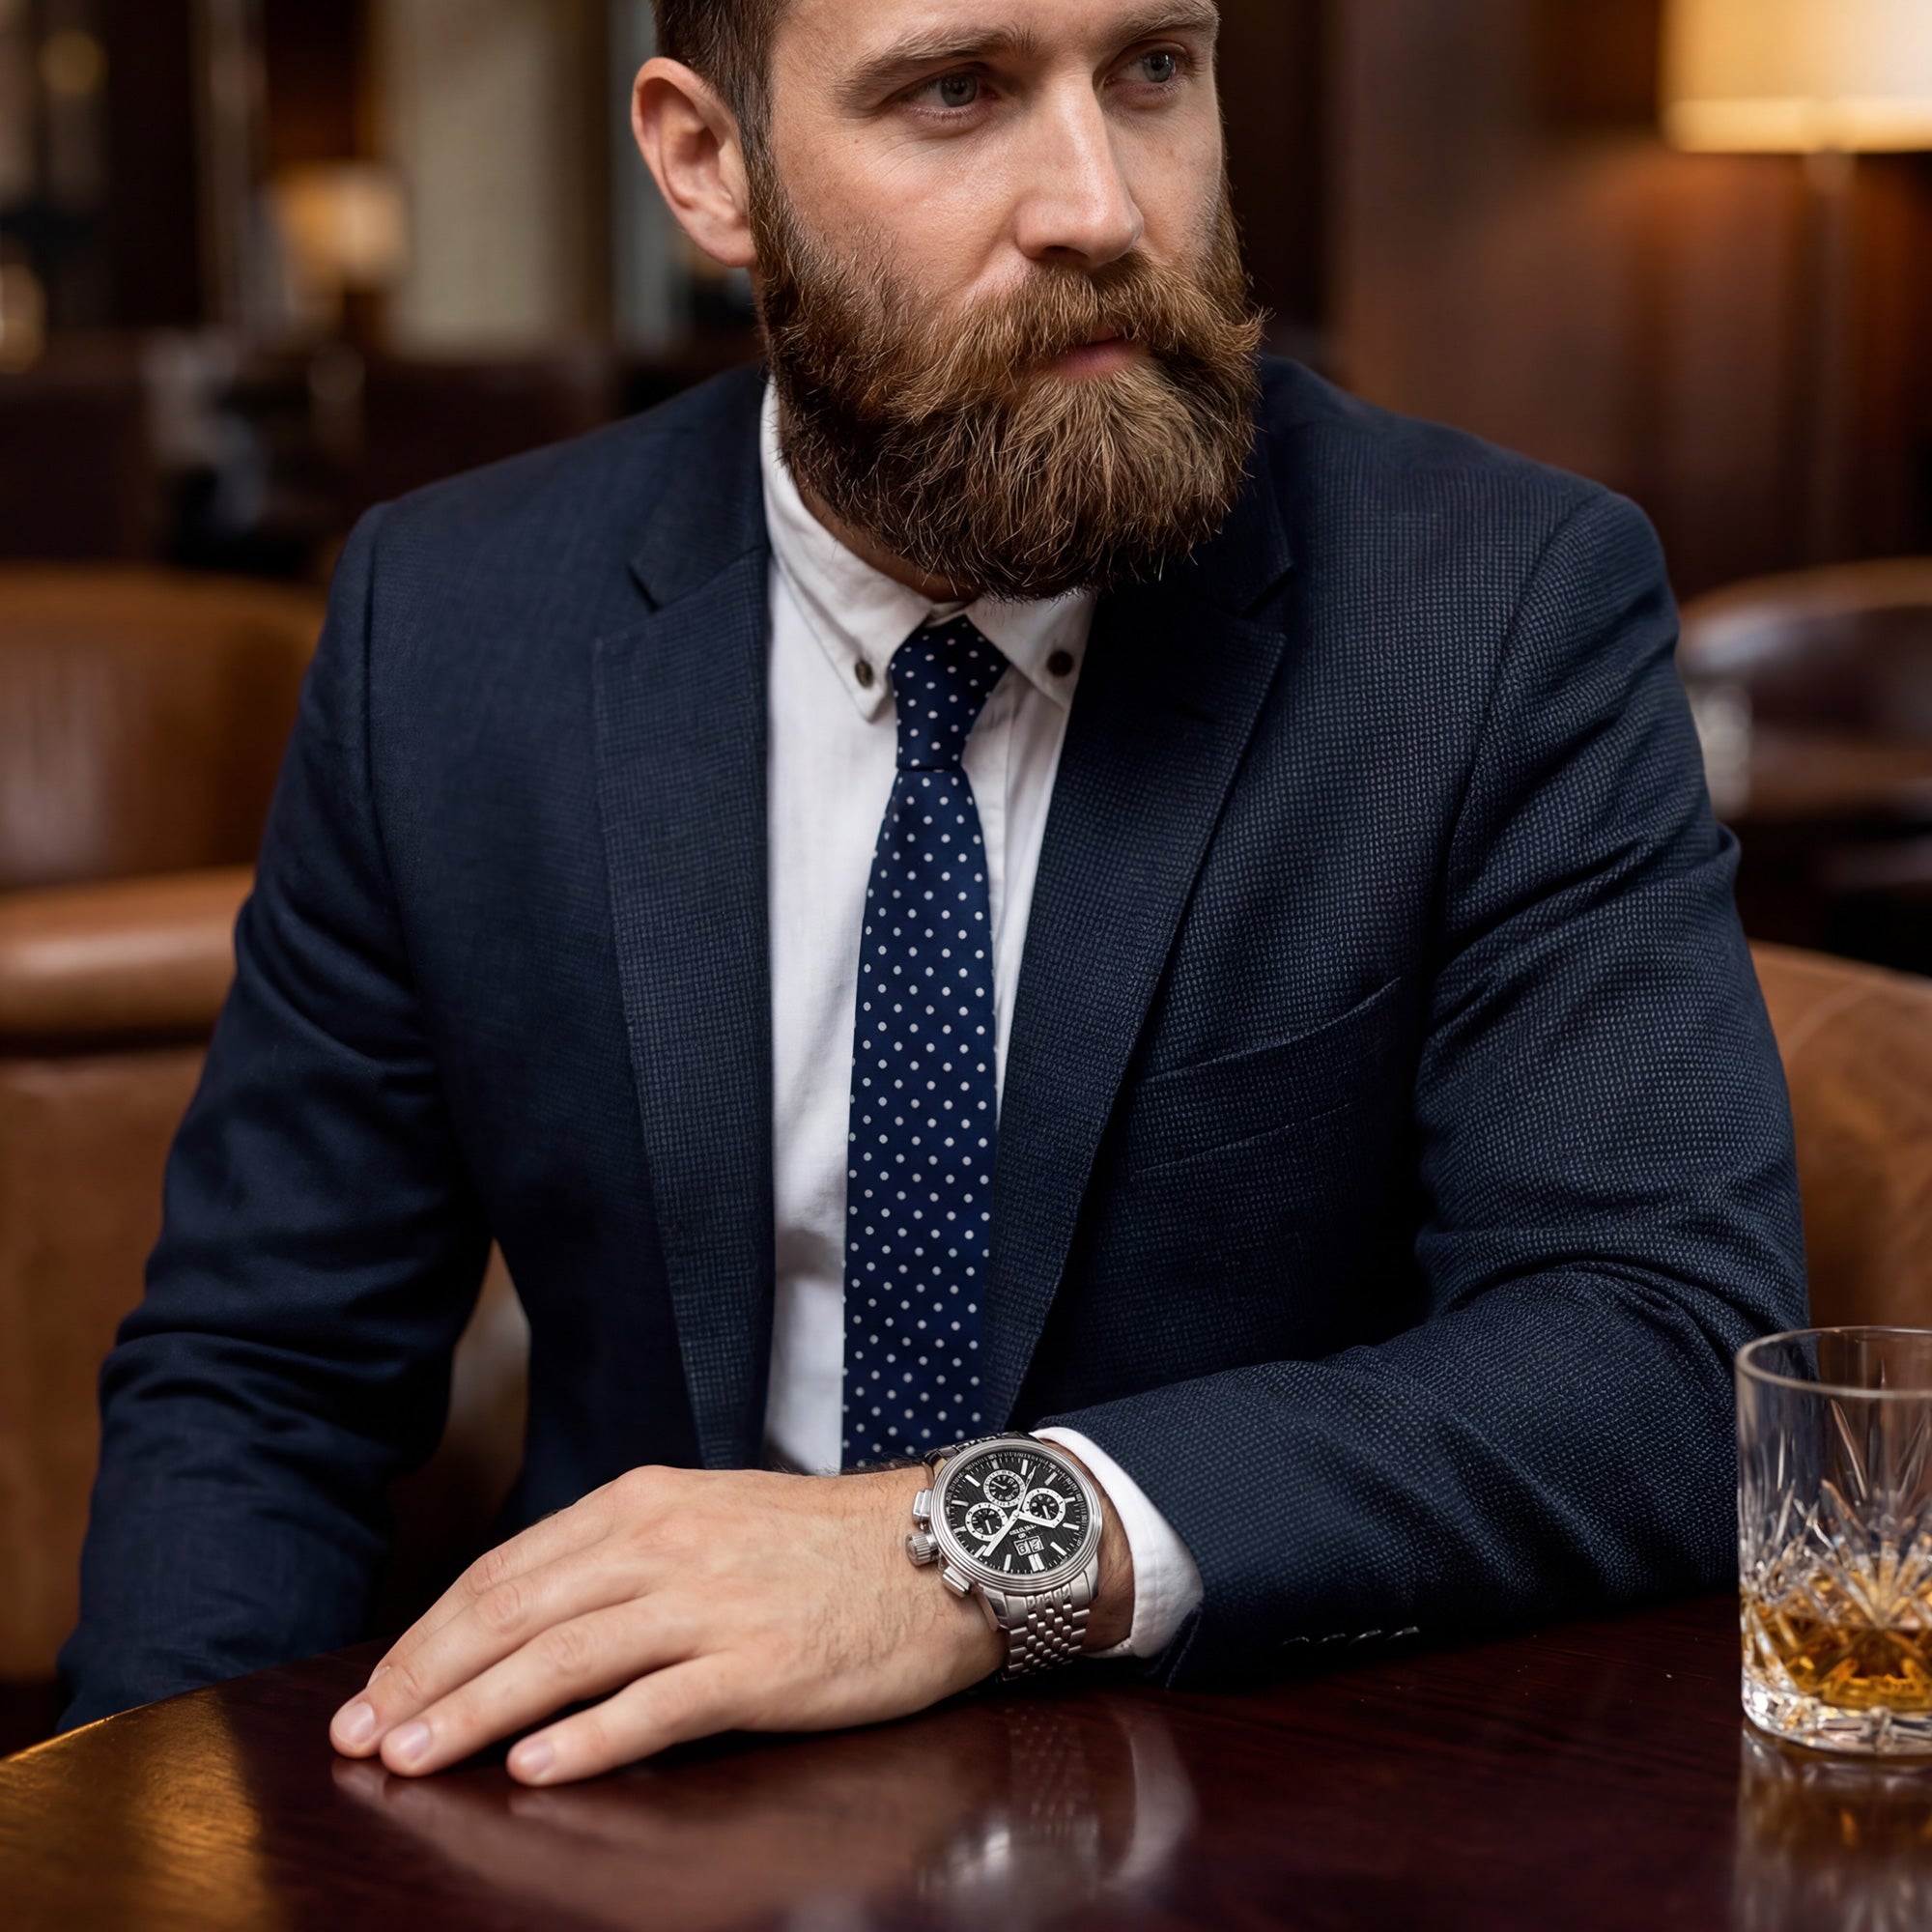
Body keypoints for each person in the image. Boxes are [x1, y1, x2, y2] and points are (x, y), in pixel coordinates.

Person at [61, 0, 1805, 1786]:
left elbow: (1660, 1349)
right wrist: (136, 1849)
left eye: (1151, 72)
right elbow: (260, 1376)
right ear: (706, 163)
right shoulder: (447, 622)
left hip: (1253, 1796)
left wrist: (964, 1553)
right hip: (626, 1816)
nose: (1102, 208)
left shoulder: (1496, 606)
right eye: (956, 92)